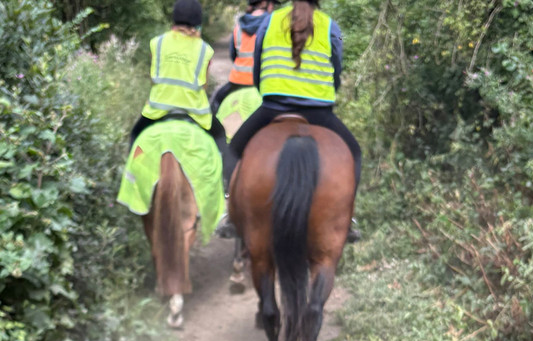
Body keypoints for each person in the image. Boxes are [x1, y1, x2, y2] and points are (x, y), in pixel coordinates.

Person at [219, 0, 361, 240]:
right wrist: (326, 91)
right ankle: (347, 218)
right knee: (355, 154)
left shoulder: (270, 22)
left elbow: (258, 67)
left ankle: (232, 216)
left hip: (273, 108)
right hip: (319, 112)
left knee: (232, 151)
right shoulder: (330, 26)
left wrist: (264, 89)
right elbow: (336, 71)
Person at [129, 0, 231, 175]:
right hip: (195, 113)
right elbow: (204, 86)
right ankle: (227, 183)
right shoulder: (204, 50)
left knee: (135, 134)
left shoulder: (157, 43)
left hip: (158, 111)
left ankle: (130, 177)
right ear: (197, 23)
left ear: (174, 20)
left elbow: (153, 79)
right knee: (220, 135)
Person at [211, 1, 276, 115]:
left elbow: (233, 54)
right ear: (265, 3)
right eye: (272, 2)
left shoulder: (239, 25)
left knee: (216, 102)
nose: (273, 6)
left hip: (237, 81)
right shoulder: (272, 24)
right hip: (262, 83)